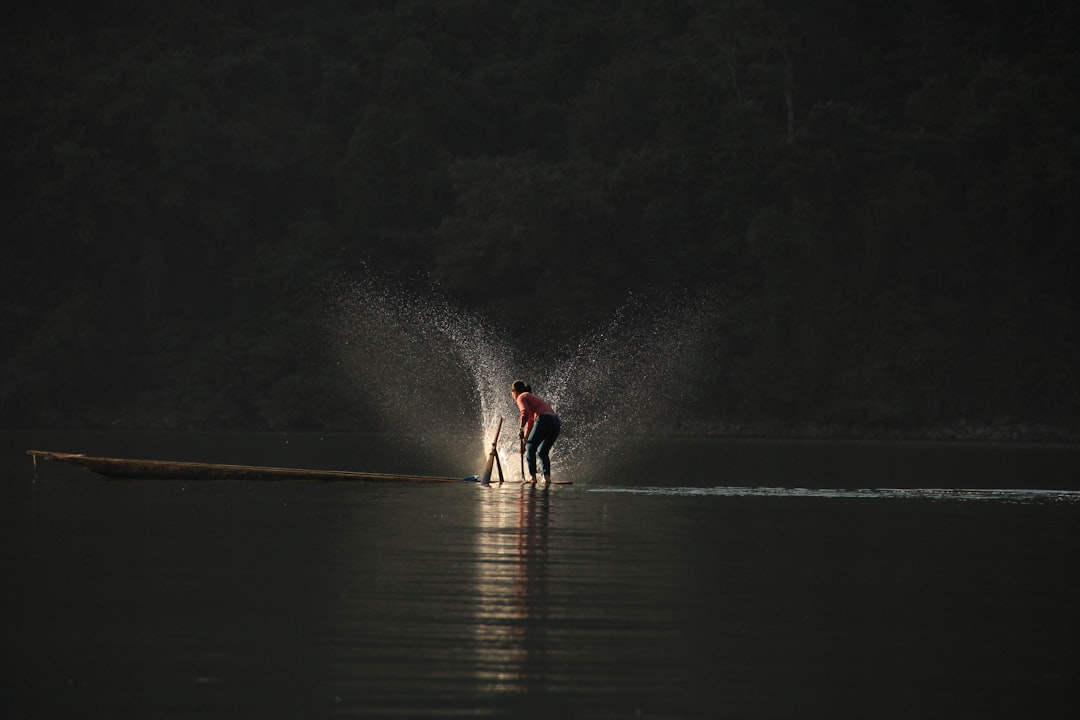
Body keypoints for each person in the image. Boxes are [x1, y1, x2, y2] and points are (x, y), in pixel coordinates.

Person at [511, 380, 561, 484]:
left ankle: (532, 477)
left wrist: (520, 429)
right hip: (556, 422)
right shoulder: (532, 398)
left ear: (515, 391)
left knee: (530, 447)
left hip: (544, 419)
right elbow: (530, 425)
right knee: (542, 451)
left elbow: (524, 413)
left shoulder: (522, 396)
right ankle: (546, 478)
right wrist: (524, 443)